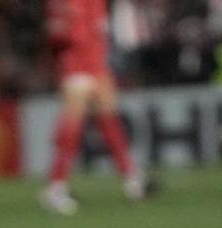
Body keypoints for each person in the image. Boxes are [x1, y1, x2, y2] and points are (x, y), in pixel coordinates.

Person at [39, 0, 150, 215]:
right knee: (73, 123)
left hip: (96, 63)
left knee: (108, 119)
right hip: (76, 64)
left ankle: (132, 180)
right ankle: (55, 187)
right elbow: (56, 34)